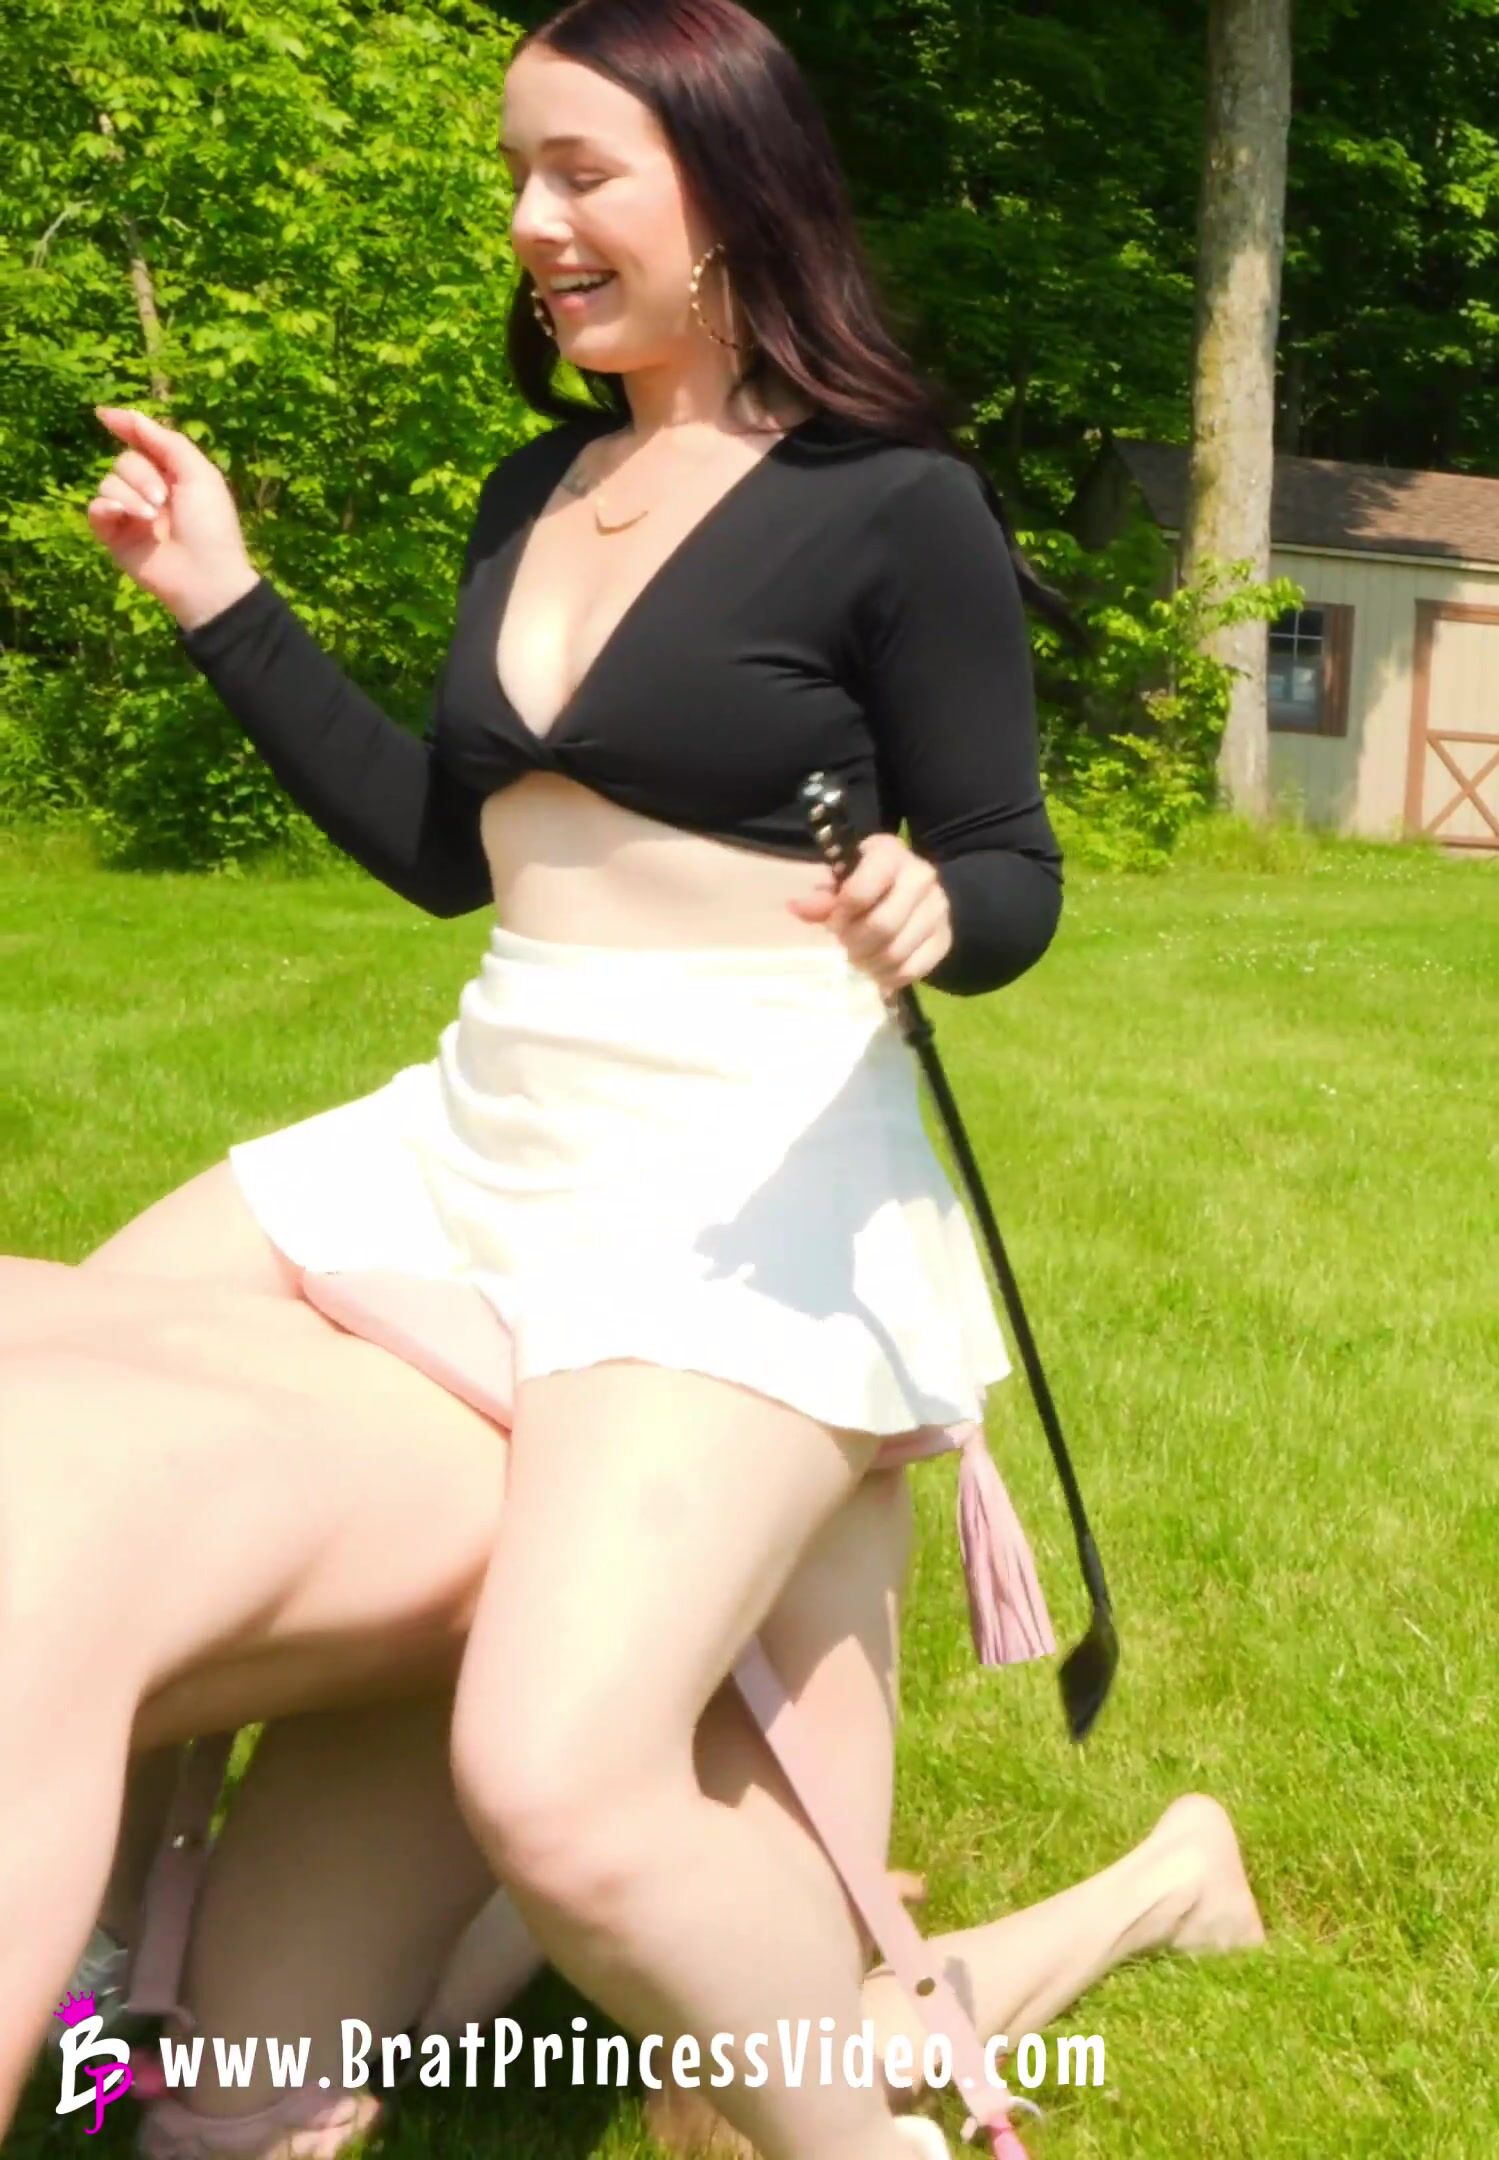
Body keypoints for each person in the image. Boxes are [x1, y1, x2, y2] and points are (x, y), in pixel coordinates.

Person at [75, 1, 1065, 2151]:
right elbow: (453, 851)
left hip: (738, 1179)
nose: (532, 220)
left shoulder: (895, 506)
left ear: (732, 184)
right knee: (74, 1371)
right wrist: (225, 603)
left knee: (556, 1779)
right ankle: (129, 1965)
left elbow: (1011, 869)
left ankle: (876, 2127)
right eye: (517, 175)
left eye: (580, 169)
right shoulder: (542, 485)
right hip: (487, 1112)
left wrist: (934, 906)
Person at [0, 1259, 1261, 2160]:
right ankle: (537, 1904)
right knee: (259, 2088)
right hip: (490, 1547)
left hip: (740, 1507)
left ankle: (1168, 1879)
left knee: (743, 2087)